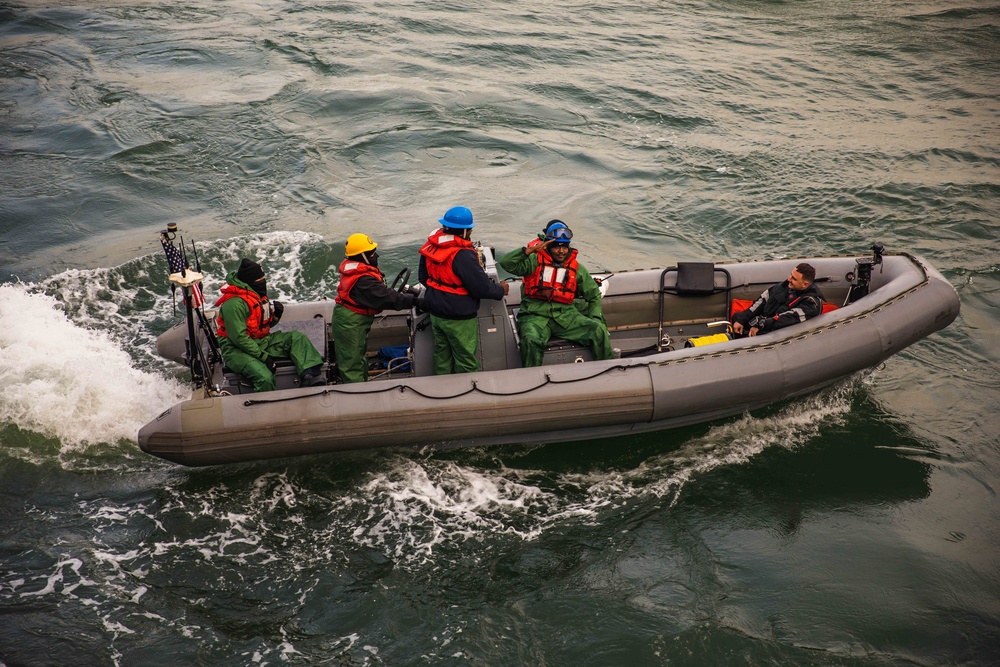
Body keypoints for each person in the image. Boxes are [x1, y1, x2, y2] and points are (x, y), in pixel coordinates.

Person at [498, 220, 614, 368]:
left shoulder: (576, 268)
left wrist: (596, 317)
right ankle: (533, 380)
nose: (561, 251)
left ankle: (608, 371)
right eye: (557, 247)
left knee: (598, 331)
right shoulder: (533, 261)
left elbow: (593, 295)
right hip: (535, 315)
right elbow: (506, 263)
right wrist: (528, 251)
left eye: (565, 247)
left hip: (566, 316)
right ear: (549, 246)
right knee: (530, 340)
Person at [418, 205, 509, 374]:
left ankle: (443, 391)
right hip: (459, 316)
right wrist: (500, 290)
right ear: (465, 231)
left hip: (436, 311)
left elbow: (423, 278)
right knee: (465, 358)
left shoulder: (431, 246)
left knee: (442, 354)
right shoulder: (463, 254)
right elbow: (481, 288)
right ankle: (467, 394)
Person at [214, 258, 326, 391]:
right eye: (259, 280)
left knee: (297, 338)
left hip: (259, 341)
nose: (263, 282)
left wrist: (276, 316)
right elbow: (239, 339)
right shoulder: (234, 304)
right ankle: (262, 408)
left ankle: (309, 377)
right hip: (236, 350)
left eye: (263, 278)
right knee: (265, 377)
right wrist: (264, 357)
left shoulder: (256, 294)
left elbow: (260, 326)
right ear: (249, 282)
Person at [331, 233, 420, 383]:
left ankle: (363, 386)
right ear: (362, 256)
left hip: (354, 319)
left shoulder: (359, 270)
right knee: (352, 364)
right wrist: (417, 301)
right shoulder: (363, 281)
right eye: (372, 253)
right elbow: (385, 298)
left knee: (358, 357)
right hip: (349, 322)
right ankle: (357, 396)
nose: (376, 255)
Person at [731, 262, 824, 337]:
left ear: (805, 284)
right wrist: (742, 320)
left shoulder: (811, 304)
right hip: (767, 321)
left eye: (794, 279)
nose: (789, 279)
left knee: (753, 333)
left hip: (782, 332)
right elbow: (761, 301)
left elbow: (786, 319)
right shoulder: (784, 286)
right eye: (790, 275)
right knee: (737, 318)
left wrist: (761, 324)